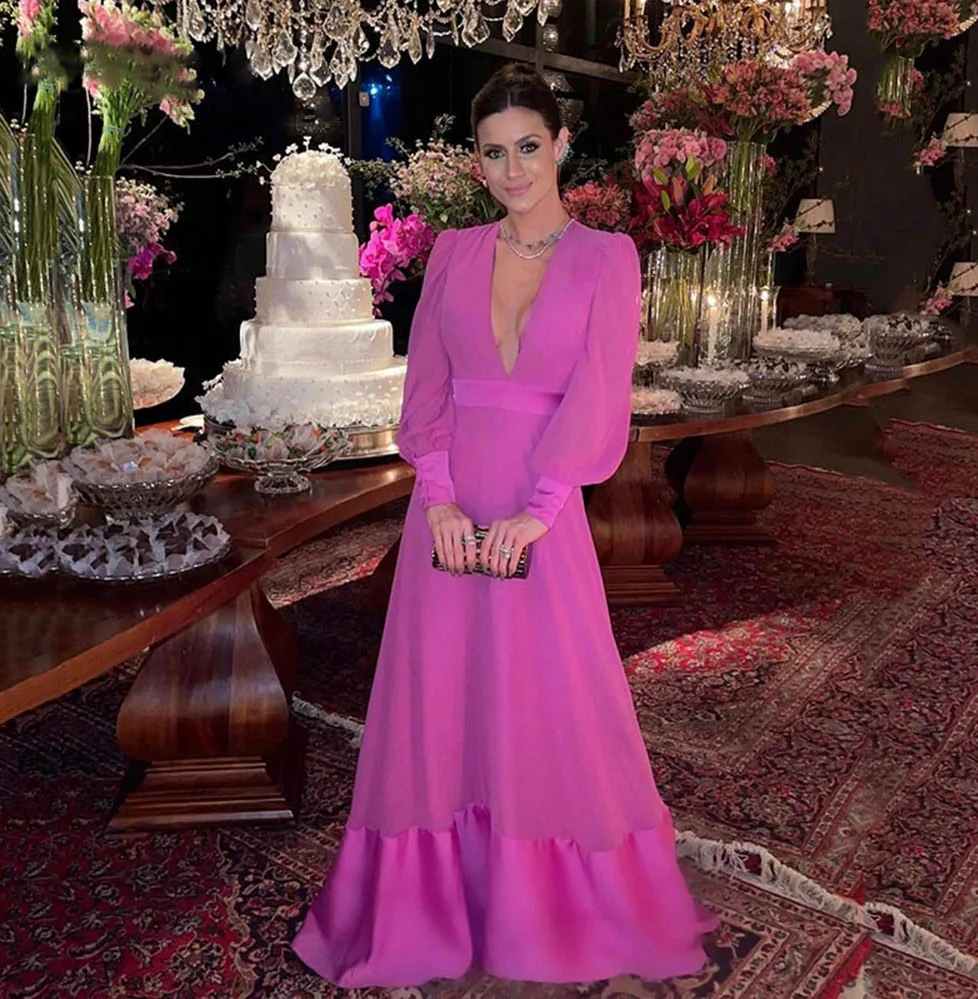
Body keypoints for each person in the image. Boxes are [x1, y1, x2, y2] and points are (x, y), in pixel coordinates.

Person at [292, 63, 717, 987]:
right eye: (494, 154)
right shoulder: (452, 253)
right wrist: (439, 496)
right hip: (447, 511)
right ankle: (428, 905)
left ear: (561, 145)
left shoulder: (607, 257)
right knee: (439, 700)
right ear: (477, 164)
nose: (514, 169)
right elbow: (427, 390)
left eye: (529, 146)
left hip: (542, 514)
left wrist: (541, 513)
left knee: (549, 702)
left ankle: (548, 908)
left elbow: (598, 395)